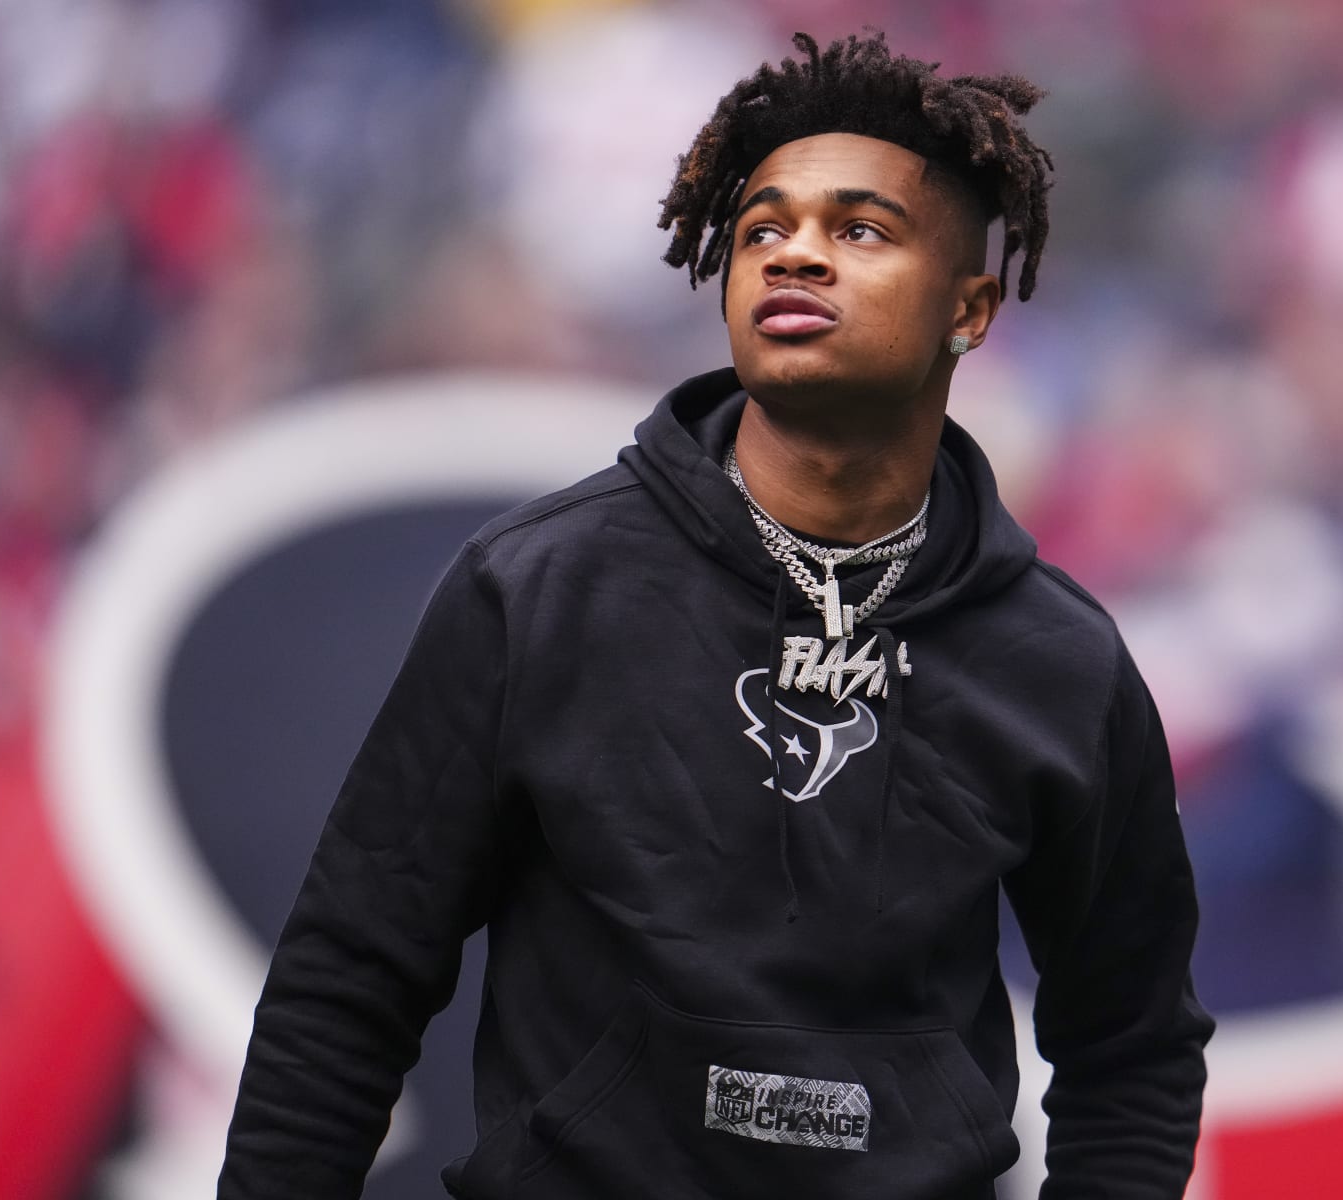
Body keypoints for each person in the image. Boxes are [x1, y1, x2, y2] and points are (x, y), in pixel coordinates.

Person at [218, 30, 1212, 1200]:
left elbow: (1133, 1049)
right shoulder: (538, 589)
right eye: (763, 228)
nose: (797, 255)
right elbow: (347, 980)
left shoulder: (1060, 660)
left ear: (971, 306)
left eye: (859, 230)